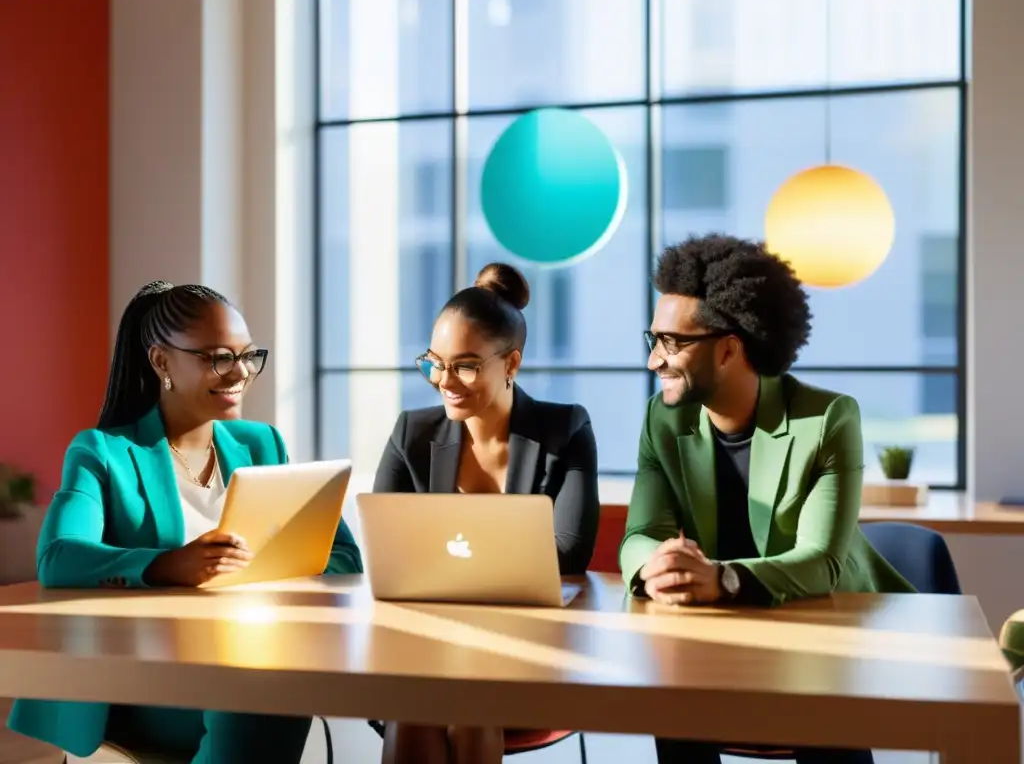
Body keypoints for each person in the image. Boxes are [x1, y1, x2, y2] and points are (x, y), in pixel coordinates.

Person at [7, 282, 363, 763]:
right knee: (262, 691)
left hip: (252, 654)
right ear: (161, 362)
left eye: (247, 356)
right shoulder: (103, 452)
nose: (239, 373)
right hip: (153, 680)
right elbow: (59, 557)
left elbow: (342, 555)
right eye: (218, 357)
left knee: (269, 681)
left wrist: (270, 567)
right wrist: (169, 565)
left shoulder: (263, 445)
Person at [619, 234, 914, 764]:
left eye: (671, 343)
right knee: (673, 701)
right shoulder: (662, 419)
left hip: (825, 635)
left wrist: (723, 577)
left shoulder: (826, 419)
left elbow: (821, 561)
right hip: (711, 641)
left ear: (730, 347)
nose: (652, 361)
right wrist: (656, 566)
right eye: (653, 339)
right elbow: (640, 535)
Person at [371, 262, 600, 764]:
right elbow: (387, 550)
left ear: (511, 363)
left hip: (528, 646)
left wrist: (444, 576)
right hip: (424, 645)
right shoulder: (412, 434)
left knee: (460, 700)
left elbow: (568, 552)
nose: (443, 380)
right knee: (426, 699)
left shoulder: (565, 431)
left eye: (466, 365)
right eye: (434, 362)